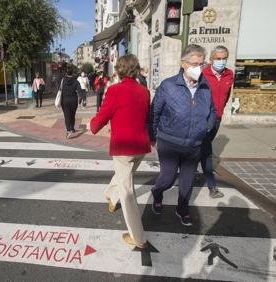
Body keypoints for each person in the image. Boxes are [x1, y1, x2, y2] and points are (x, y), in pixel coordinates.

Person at [149, 44, 216, 227]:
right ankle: (157, 193)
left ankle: (183, 209)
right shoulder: (168, 85)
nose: (199, 68)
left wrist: (206, 128)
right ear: (184, 64)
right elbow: (154, 112)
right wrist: (152, 136)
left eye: (202, 64)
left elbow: (212, 111)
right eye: (195, 63)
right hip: (169, 142)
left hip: (194, 144)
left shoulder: (205, 86)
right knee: (167, 179)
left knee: (187, 181)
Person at [90, 54, 150, 249]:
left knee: (127, 192)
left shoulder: (115, 90)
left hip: (123, 146)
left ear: (119, 70)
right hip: (140, 145)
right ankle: (110, 195)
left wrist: (92, 125)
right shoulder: (144, 91)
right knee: (124, 175)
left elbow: (100, 119)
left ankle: (138, 237)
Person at [201, 45, 234, 198]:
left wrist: (220, 112)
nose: (221, 61)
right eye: (218, 58)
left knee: (201, 148)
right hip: (202, 118)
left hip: (217, 118)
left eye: (224, 58)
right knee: (207, 150)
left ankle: (188, 169)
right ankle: (211, 185)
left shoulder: (229, 74)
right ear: (211, 59)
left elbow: (226, 96)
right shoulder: (202, 73)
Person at [61, 66, 82, 139]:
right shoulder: (76, 81)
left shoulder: (63, 80)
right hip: (74, 100)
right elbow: (80, 91)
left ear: (66, 73)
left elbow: (61, 90)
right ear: (72, 73)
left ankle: (68, 130)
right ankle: (72, 128)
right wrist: (81, 99)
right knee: (72, 115)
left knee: (67, 116)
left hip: (65, 100)